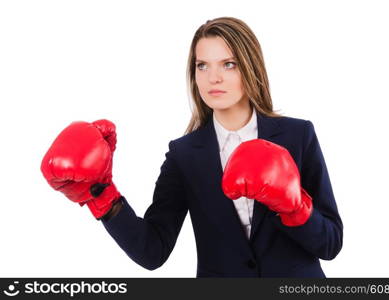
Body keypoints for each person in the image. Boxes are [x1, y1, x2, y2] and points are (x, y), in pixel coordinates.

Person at [41, 17, 343, 277]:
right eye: (202, 66)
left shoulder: (297, 135)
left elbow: (331, 244)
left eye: (228, 64)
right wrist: (103, 195)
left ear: (250, 67)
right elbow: (152, 251)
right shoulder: (184, 155)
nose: (214, 78)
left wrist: (295, 208)